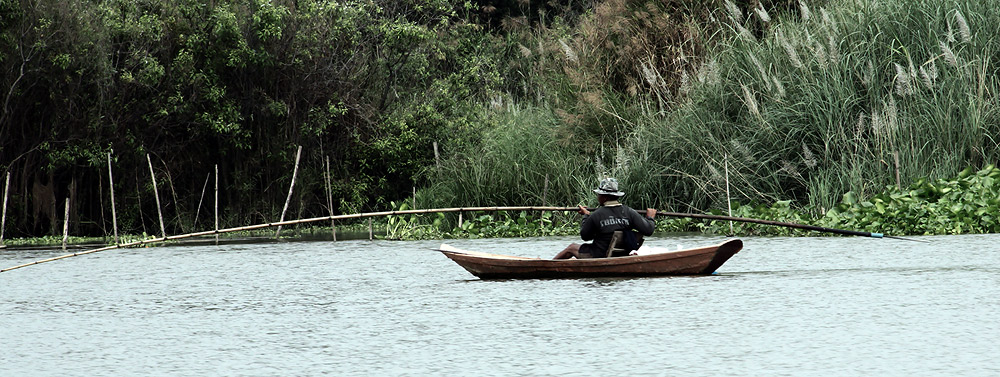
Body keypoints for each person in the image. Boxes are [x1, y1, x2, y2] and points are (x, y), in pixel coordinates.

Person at [553, 178, 657, 259]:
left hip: (599, 254)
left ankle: (549, 265)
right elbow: (648, 230)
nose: (598, 197)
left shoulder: (597, 215)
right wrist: (650, 218)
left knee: (571, 248)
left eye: (599, 195)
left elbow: (585, 236)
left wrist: (586, 216)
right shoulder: (629, 212)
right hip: (622, 253)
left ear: (605, 197)